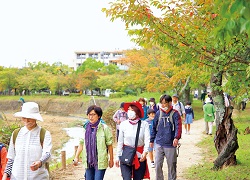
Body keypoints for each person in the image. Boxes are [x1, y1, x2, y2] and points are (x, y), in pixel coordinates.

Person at [2, 102, 52, 180]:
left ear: (35, 118)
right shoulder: (16, 133)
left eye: (29, 117)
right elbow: (11, 158)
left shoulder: (44, 134)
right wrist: (5, 175)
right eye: (24, 117)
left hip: (38, 177)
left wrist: (40, 162)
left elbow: (47, 153)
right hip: (17, 177)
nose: (26, 120)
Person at [73, 105, 114, 180]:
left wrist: (111, 159)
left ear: (99, 116)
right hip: (88, 161)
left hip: (100, 161)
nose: (91, 117)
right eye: (89, 114)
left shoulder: (104, 128)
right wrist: (76, 157)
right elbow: (81, 144)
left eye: (93, 114)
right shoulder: (85, 128)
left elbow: (109, 145)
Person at [150, 94, 182, 180]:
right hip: (159, 143)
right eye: (161, 103)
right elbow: (153, 127)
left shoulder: (175, 114)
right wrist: (151, 140)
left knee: (171, 166)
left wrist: (176, 138)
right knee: (157, 165)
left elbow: (178, 127)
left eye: (165, 103)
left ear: (170, 103)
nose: (163, 105)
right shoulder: (158, 113)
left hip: (170, 144)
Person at [116, 101, 150, 180]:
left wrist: (145, 152)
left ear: (137, 112)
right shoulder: (123, 124)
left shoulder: (144, 124)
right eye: (128, 109)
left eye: (132, 110)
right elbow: (120, 142)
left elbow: (147, 140)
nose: (129, 112)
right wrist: (117, 157)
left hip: (140, 156)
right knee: (126, 178)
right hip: (126, 155)